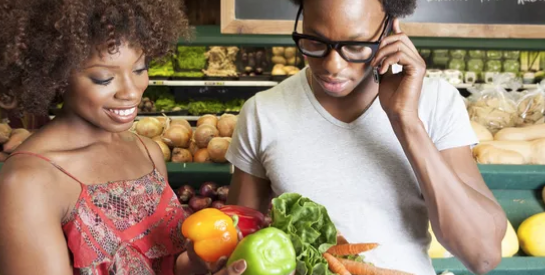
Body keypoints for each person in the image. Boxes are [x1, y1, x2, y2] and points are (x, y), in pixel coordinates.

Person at [225, 0, 508, 274]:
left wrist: (405, 121)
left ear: (389, 32)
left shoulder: (436, 102)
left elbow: (481, 256)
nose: (333, 65)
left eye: (356, 46)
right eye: (314, 42)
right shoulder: (262, 113)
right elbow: (236, 248)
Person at [0, 1, 247, 274]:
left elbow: (164, 264)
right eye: (104, 78)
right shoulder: (28, 180)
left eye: (140, 69)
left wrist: (202, 266)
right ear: (54, 75)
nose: (131, 91)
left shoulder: (148, 152)